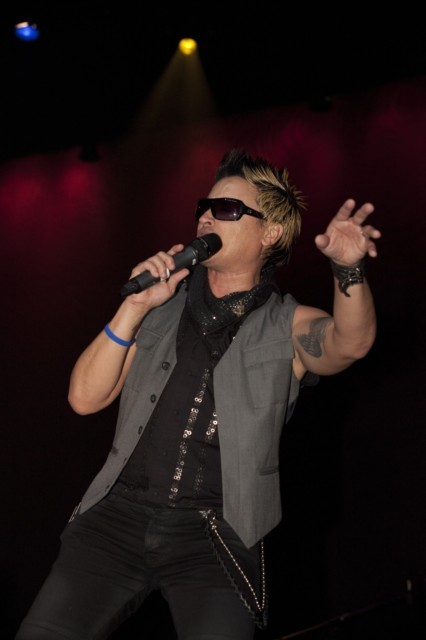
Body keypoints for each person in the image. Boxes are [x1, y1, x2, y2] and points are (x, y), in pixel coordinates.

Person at [16, 148, 381, 640]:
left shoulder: (287, 324)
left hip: (214, 536)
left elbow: (349, 343)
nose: (207, 216)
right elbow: (84, 398)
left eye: (227, 209)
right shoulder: (161, 308)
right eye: (204, 207)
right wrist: (134, 308)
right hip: (116, 520)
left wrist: (347, 270)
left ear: (270, 233)